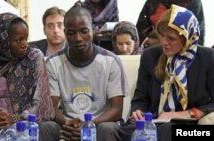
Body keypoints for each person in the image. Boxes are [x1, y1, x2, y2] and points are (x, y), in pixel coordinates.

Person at [43, 5, 128, 141]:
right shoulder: (53, 63)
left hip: (100, 124)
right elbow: (50, 107)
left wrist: (88, 125)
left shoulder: (111, 61)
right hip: (68, 125)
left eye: (84, 31)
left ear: (93, 30)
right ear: (65, 33)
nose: (78, 38)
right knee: (45, 127)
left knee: (108, 128)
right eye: (71, 33)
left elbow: (117, 110)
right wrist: (67, 124)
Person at [0, 12, 55, 140]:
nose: (24, 44)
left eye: (26, 38)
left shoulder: (33, 57)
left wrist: (13, 118)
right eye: (18, 40)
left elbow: (40, 105)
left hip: (26, 121)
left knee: (19, 133)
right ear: (2, 40)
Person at [130, 5, 214, 141]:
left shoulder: (208, 58)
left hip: (189, 128)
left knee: (168, 131)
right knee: (108, 129)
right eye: (162, 35)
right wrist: (138, 111)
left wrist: (188, 113)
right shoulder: (150, 56)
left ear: (188, 38)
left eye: (171, 38)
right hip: (152, 124)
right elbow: (140, 98)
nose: (164, 42)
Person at [136, 0, 205, 46]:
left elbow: (197, 33)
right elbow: (139, 32)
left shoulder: (192, 2)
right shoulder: (153, 2)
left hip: (183, 51)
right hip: (152, 49)